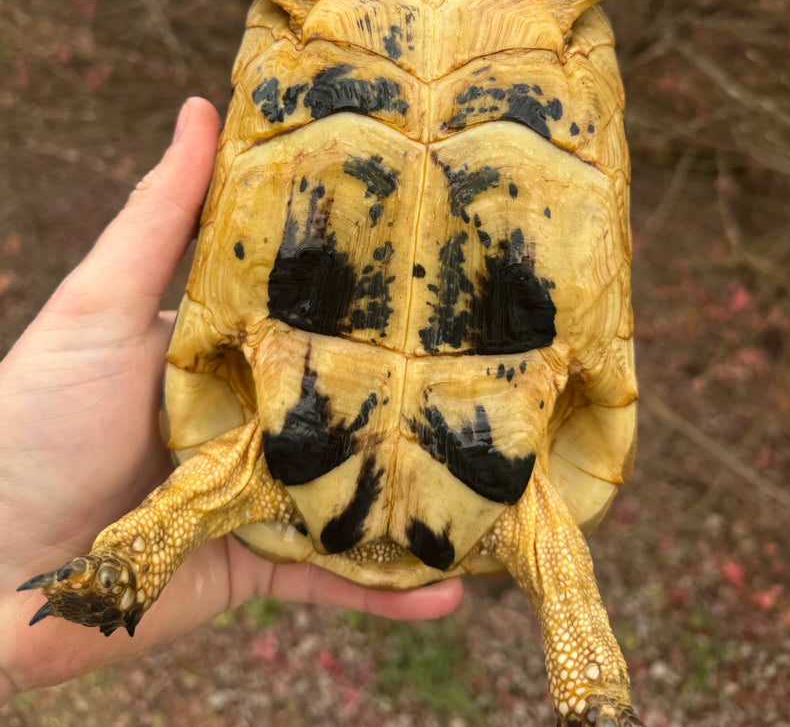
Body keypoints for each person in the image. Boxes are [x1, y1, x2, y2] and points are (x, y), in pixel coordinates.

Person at [0, 98, 463, 705]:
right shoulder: (520, 503)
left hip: (319, 85)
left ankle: (125, 569)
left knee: (240, 467)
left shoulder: (255, 465)